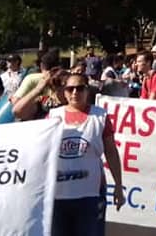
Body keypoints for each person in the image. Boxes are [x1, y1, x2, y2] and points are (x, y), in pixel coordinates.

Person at [49, 73, 126, 235]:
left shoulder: (100, 116)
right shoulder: (53, 117)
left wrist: (118, 186)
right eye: (70, 89)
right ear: (64, 92)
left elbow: (111, 152)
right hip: (58, 195)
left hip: (91, 194)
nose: (75, 92)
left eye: (80, 88)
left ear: (87, 90)